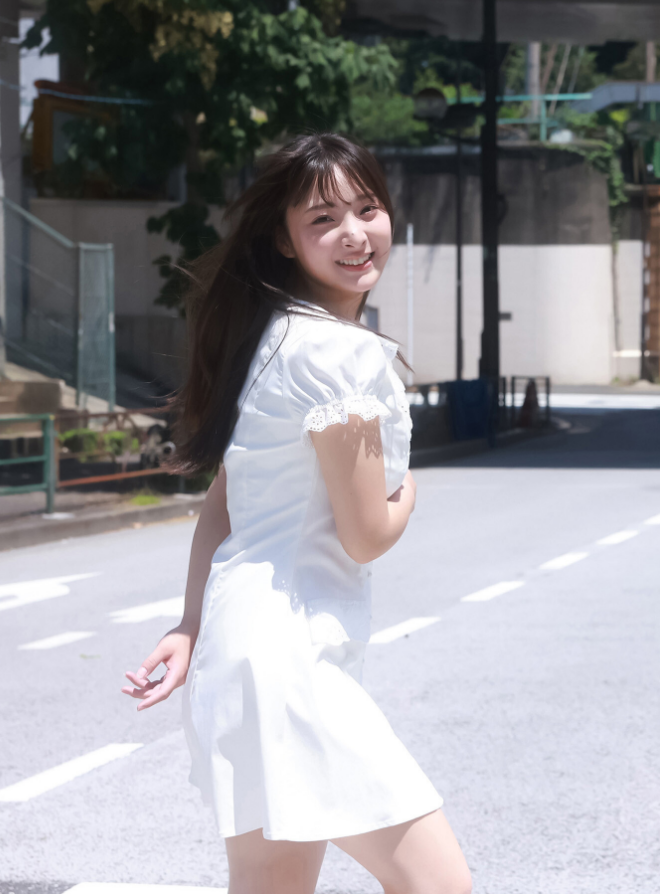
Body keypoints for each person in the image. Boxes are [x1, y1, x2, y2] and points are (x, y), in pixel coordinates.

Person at [122, 134, 472, 894]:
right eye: (323, 219)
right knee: (439, 885)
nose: (354, 233)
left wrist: (192, 624)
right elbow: (366, 535)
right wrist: (410, 493)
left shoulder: (275, 337)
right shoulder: (338, 357)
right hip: (291, 666)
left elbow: (224, 502)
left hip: (240, 655)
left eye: (367, 209)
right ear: (283, 240)